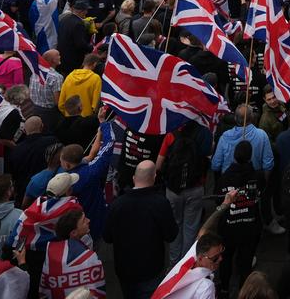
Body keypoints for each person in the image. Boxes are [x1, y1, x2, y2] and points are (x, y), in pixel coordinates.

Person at [103, 160, 178, 299]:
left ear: (133, 178)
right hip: (151, 269)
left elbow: (107, 237)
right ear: (154, 178)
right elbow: (171, 235)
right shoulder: (160, 203)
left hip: (124, 269)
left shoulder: (117, 204)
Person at [157, 120, 210, 265]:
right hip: (196, 187)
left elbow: (158, 164)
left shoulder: (171, 134)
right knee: (191, 227)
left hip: (173, 190)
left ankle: (174, 263)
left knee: (175, 225)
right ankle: (186, 264)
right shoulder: (204, 133)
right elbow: (208, 157)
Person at [217, 142, 264, 296]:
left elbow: (218, 201)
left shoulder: (225, 177)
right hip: (250, 227)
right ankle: (245, 293)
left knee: (225, 259)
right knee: (245, 263)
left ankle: (224, 288)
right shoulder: (257, 176)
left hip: (228, 227)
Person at [40, 209, 105, 299]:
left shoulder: (50, 257)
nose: (88, 220)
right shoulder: (89, 258)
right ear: (74, 233)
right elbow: (98, 291)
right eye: (83, 221)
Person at [56, 0, 91, 75]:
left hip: (62, 55)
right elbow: (80, 43)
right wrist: (91, 48)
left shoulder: (64, 19)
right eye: (86, 10)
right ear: (81, 11)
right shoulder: (78, 24)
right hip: (73, 58)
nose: (87, 13)